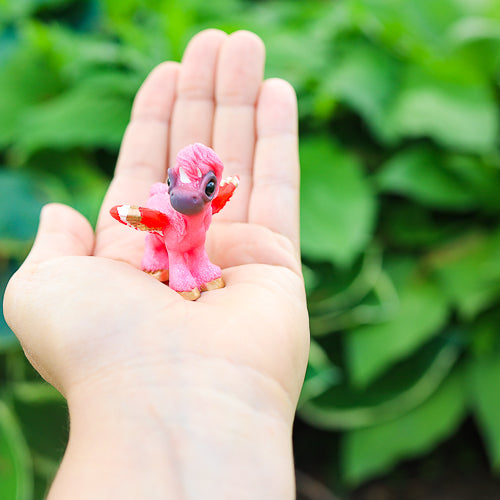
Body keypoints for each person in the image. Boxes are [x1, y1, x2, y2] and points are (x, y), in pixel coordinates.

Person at [3, 29, 309, 499]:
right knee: (168, 252)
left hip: (194, 241)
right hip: (164, 238)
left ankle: (191, 271)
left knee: (195, 252)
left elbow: (210, 217)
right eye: (177, 183)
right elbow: (153, 223)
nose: (189, 194)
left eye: (202, 189)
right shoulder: (171, 207)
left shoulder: (207, 207)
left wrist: (217, 199)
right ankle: (171, 270)